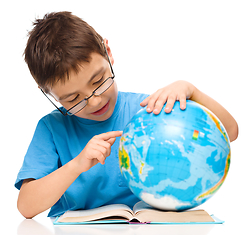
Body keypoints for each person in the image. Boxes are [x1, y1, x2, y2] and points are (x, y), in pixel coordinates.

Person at [15, 12, 238, 219]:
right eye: (73, 99)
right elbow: (26, 207)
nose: (95, 101)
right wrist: (77, 165)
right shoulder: (52, 129)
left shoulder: (150, 109)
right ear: (49, 94)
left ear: (108, 54)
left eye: (98, 81)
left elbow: (230, 132)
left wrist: (192, 90)